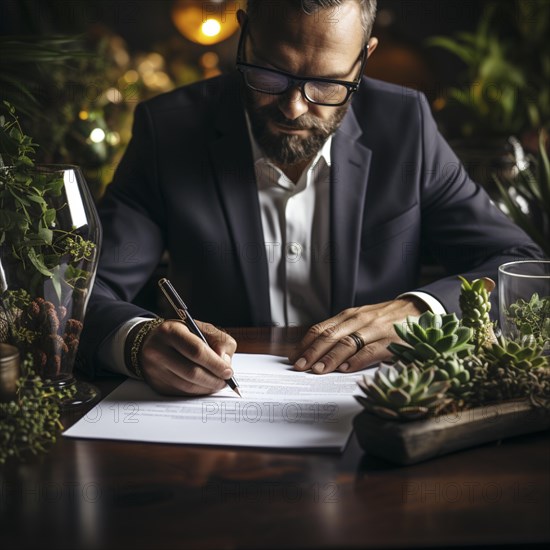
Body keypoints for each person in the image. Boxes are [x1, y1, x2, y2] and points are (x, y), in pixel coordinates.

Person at [78, 0, 543, 396]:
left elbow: (520, 265)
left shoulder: (406, 127)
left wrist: (418, 310)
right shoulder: (170, 131)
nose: (294, 107)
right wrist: (137, 341)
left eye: (327, 84)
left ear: (365, 56)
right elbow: (81, 289)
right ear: (243, 36)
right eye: (270, 74)